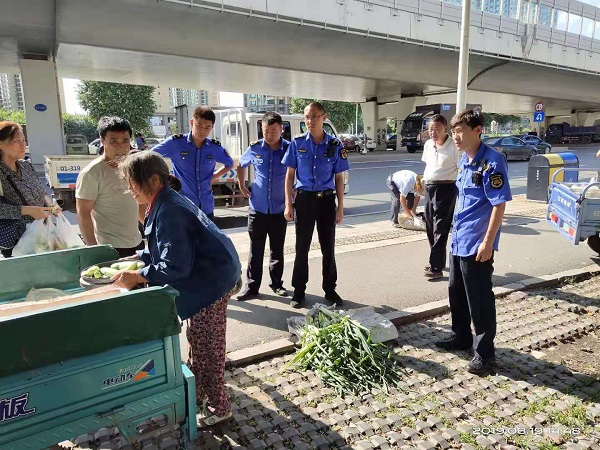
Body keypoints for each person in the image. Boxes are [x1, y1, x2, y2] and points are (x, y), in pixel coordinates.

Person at [112, 151, 241, 427]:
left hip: (214, 282)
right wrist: (138, 259)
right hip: (208, 276)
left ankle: (220, 408)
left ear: (154, 179)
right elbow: (166, 248)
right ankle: (197, 396)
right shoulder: (162, 202)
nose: (129, 189)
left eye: (132, 182)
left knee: (208, 348)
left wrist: (137, 278)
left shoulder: (169, 208)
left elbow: (174, 267)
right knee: (199, 340)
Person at [435, 109, 512, 374]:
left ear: (477, 130)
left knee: (479, 300)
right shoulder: (465, 161)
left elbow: (498, 205)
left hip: (478, 245)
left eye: (460, 132)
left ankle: (485, 354)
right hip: (459, 239)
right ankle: (461, 336)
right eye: (453, 132)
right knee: (456, 293)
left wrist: (488, 242)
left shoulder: (492, 161)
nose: (455, 137)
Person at [282, 101, 350, 308]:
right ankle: (299, 291)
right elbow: (289, 176)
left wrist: (340, 207)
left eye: (314, 116)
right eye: (307, 117)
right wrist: (288, 204)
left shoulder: (335, 145)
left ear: (324, 117)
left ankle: (330, 289)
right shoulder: (297, 143)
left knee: (328, 248)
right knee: (301, 248)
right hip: (304, 200)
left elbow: (339, 177)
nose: (310, 121)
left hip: (327, 201)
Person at [236, 112, 290, 301]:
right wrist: (242, 184)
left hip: (279, 209)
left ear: (281, 130)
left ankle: (277, 284)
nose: (269, 136)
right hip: (257, 208)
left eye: (274, 131)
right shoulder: (255, 148)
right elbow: (240, 165)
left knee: (277, 249)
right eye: (266, 131)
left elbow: (298, 171)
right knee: (256, 250)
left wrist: (294, 195)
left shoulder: (288, 149)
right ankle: (252, 287)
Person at [76, 116, 144, 258]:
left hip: (137, 244)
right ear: (102, 141)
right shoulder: (91, 173)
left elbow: (141, 204)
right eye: (114, 141)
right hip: (109, 248)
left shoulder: (133, 168)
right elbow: (83, 214)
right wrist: (94, 250)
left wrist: (153, 234)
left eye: (125, 141)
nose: (120, 146)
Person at [153, 106, 234, 222]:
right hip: (183, 208)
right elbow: (150, 156)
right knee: (183, 240)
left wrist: (213, 177)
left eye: (207, 127)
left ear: (212, 127)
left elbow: (230, 164)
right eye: (199, 125)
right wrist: (165, 177)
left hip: (206, 209)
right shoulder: (176, 143)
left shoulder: (214, 148)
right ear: (192, 122)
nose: (202, 131)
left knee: (207, 240)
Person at [0, 121, 59, 258]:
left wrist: (51, 204)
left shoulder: (26, 166)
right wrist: (28, 210)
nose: (23, 145)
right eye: (16, 141)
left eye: (24, 140)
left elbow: (40, 191)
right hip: (17, 241)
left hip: (42, 233)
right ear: (1, 144)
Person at [422, 114, 461, 280]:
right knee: (430, 225)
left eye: (437, 128)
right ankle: (436, 259)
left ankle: (436, 266)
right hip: (429, 187)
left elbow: (462, 169)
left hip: (446, 188)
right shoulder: (428, 145)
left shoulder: (453, 146)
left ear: (446, 128)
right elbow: (428, 166)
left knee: (441, 228)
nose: (433, 132)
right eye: (431, 129)